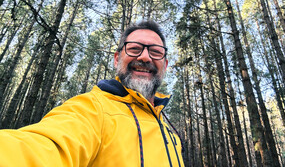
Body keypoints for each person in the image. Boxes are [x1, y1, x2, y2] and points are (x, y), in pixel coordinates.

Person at [0, 20, 184, 167]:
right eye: (134, 48)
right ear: (117, 58)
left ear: (165, 65)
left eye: (155, 52)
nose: (145, 57)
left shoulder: (171, 133)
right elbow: (42, 148)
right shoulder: (92, 109)